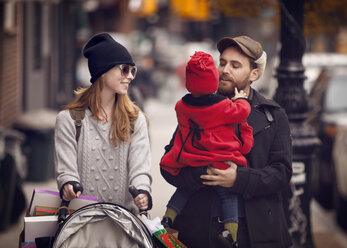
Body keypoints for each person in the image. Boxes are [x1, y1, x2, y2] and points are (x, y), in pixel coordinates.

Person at [160, 35, 293, 248]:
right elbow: (169, 165)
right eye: (222, 62)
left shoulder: (272, 115)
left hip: (255, 232)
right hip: (199, 230)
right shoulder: (197, 108)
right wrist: (201, 173)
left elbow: (281, 173)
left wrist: (237, 178)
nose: (225, 70)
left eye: (235, 65)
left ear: (254, 73)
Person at [160, 51, 254, 247]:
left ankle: (168, 217)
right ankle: (231, 233)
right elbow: (242, 111)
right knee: (228, 195)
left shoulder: (181, 105)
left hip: (192, 158)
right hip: (219, 160)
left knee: (184, 189)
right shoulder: (222, 106)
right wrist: (241, 99)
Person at [54, 33, 152, 214]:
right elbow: (66, 170)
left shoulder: (136, 120)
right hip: (80, 222)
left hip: (124, 223)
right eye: (124, 69)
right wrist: (68, 183)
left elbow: (140, 169)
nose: (130, 76)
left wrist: (143, 191)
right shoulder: (68, 120)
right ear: (103, 71)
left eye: (133, 70)